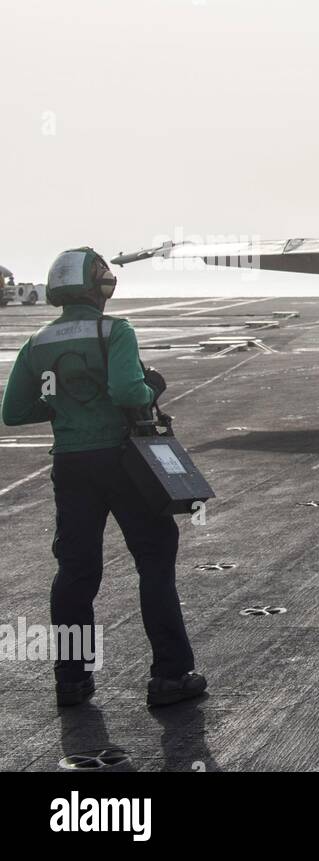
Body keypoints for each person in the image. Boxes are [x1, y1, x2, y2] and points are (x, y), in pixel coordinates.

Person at [1, 248, 205, 707]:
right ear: (98, 288)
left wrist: (58, 407)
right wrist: (154, 385)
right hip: (124, 460)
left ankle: (71, 680)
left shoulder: (37, 342)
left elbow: (13, 412)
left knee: (75, 572)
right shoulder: (115, 330)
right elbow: (127, 391)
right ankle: (170, 677)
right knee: (154, 561)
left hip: (71, 465)